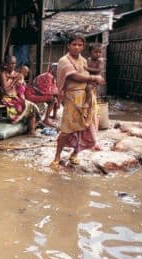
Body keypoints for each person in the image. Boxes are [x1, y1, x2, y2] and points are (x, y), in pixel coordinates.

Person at [50, 34, 104, 169]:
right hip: (72, 97)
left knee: (86, 129)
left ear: (83, 46)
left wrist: (91, 85)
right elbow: (74, 76)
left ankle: (75, 154)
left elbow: (86, 77)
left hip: (86, 96)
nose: (77, 47)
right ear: (68, 45)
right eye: (74, 44)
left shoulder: (84, 61)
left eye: (80, 45)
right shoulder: (64, 60)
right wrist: (93, 78)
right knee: (67, 129)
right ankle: (57, 156)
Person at [0, 56, 39, 135]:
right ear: (6, 64)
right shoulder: (3, 74)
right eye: (11, 63)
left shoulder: (17, 74)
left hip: (17, 97)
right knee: (20, 106)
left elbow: (22, 88)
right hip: (8, 98)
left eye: (14, 63)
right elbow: (6, 90)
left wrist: (20, 83)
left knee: (32, 106)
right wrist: (14, 81)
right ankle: (23, 125)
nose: (13, 65)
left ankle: (32, 130)